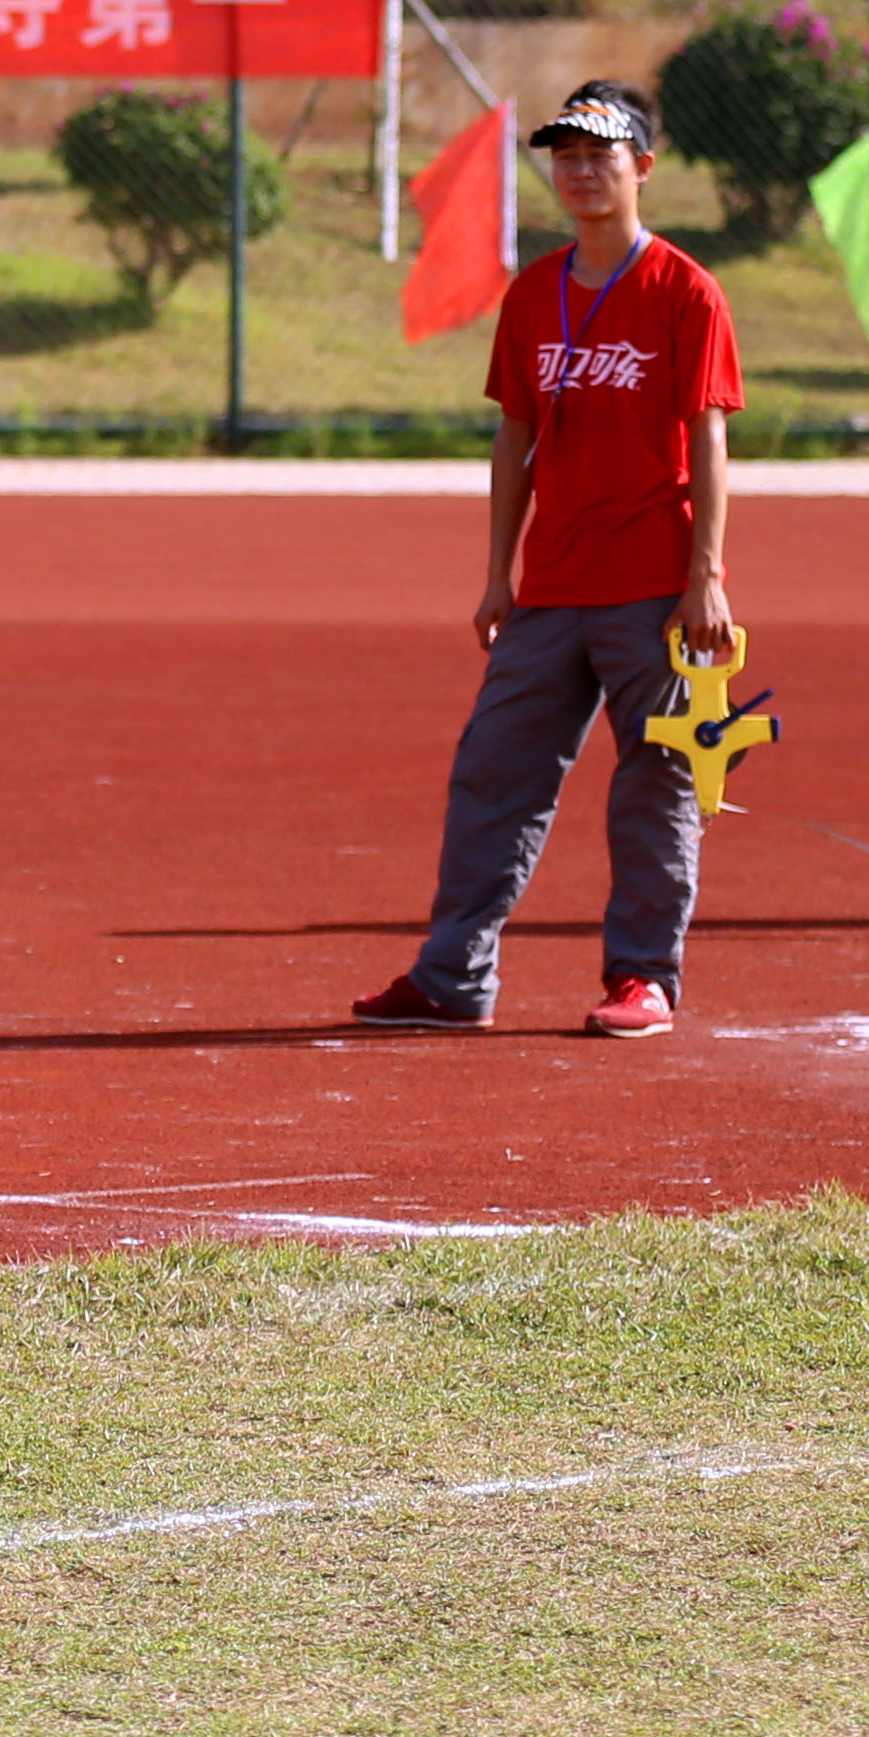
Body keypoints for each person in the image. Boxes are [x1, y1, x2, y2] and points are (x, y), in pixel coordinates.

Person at [354, 81, 745, 1041]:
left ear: (641, 167)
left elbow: (710, 437)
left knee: (653, 780)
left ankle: (643, 977)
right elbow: (513, 438)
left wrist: (708, 575)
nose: (579, 172)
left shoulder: (686, 290)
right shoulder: (534, 294)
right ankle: (452, 976)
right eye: (564, 157)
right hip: (551, 585)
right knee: (494, 769)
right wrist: (498, 573)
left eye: (599, 155)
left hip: (654, 587)